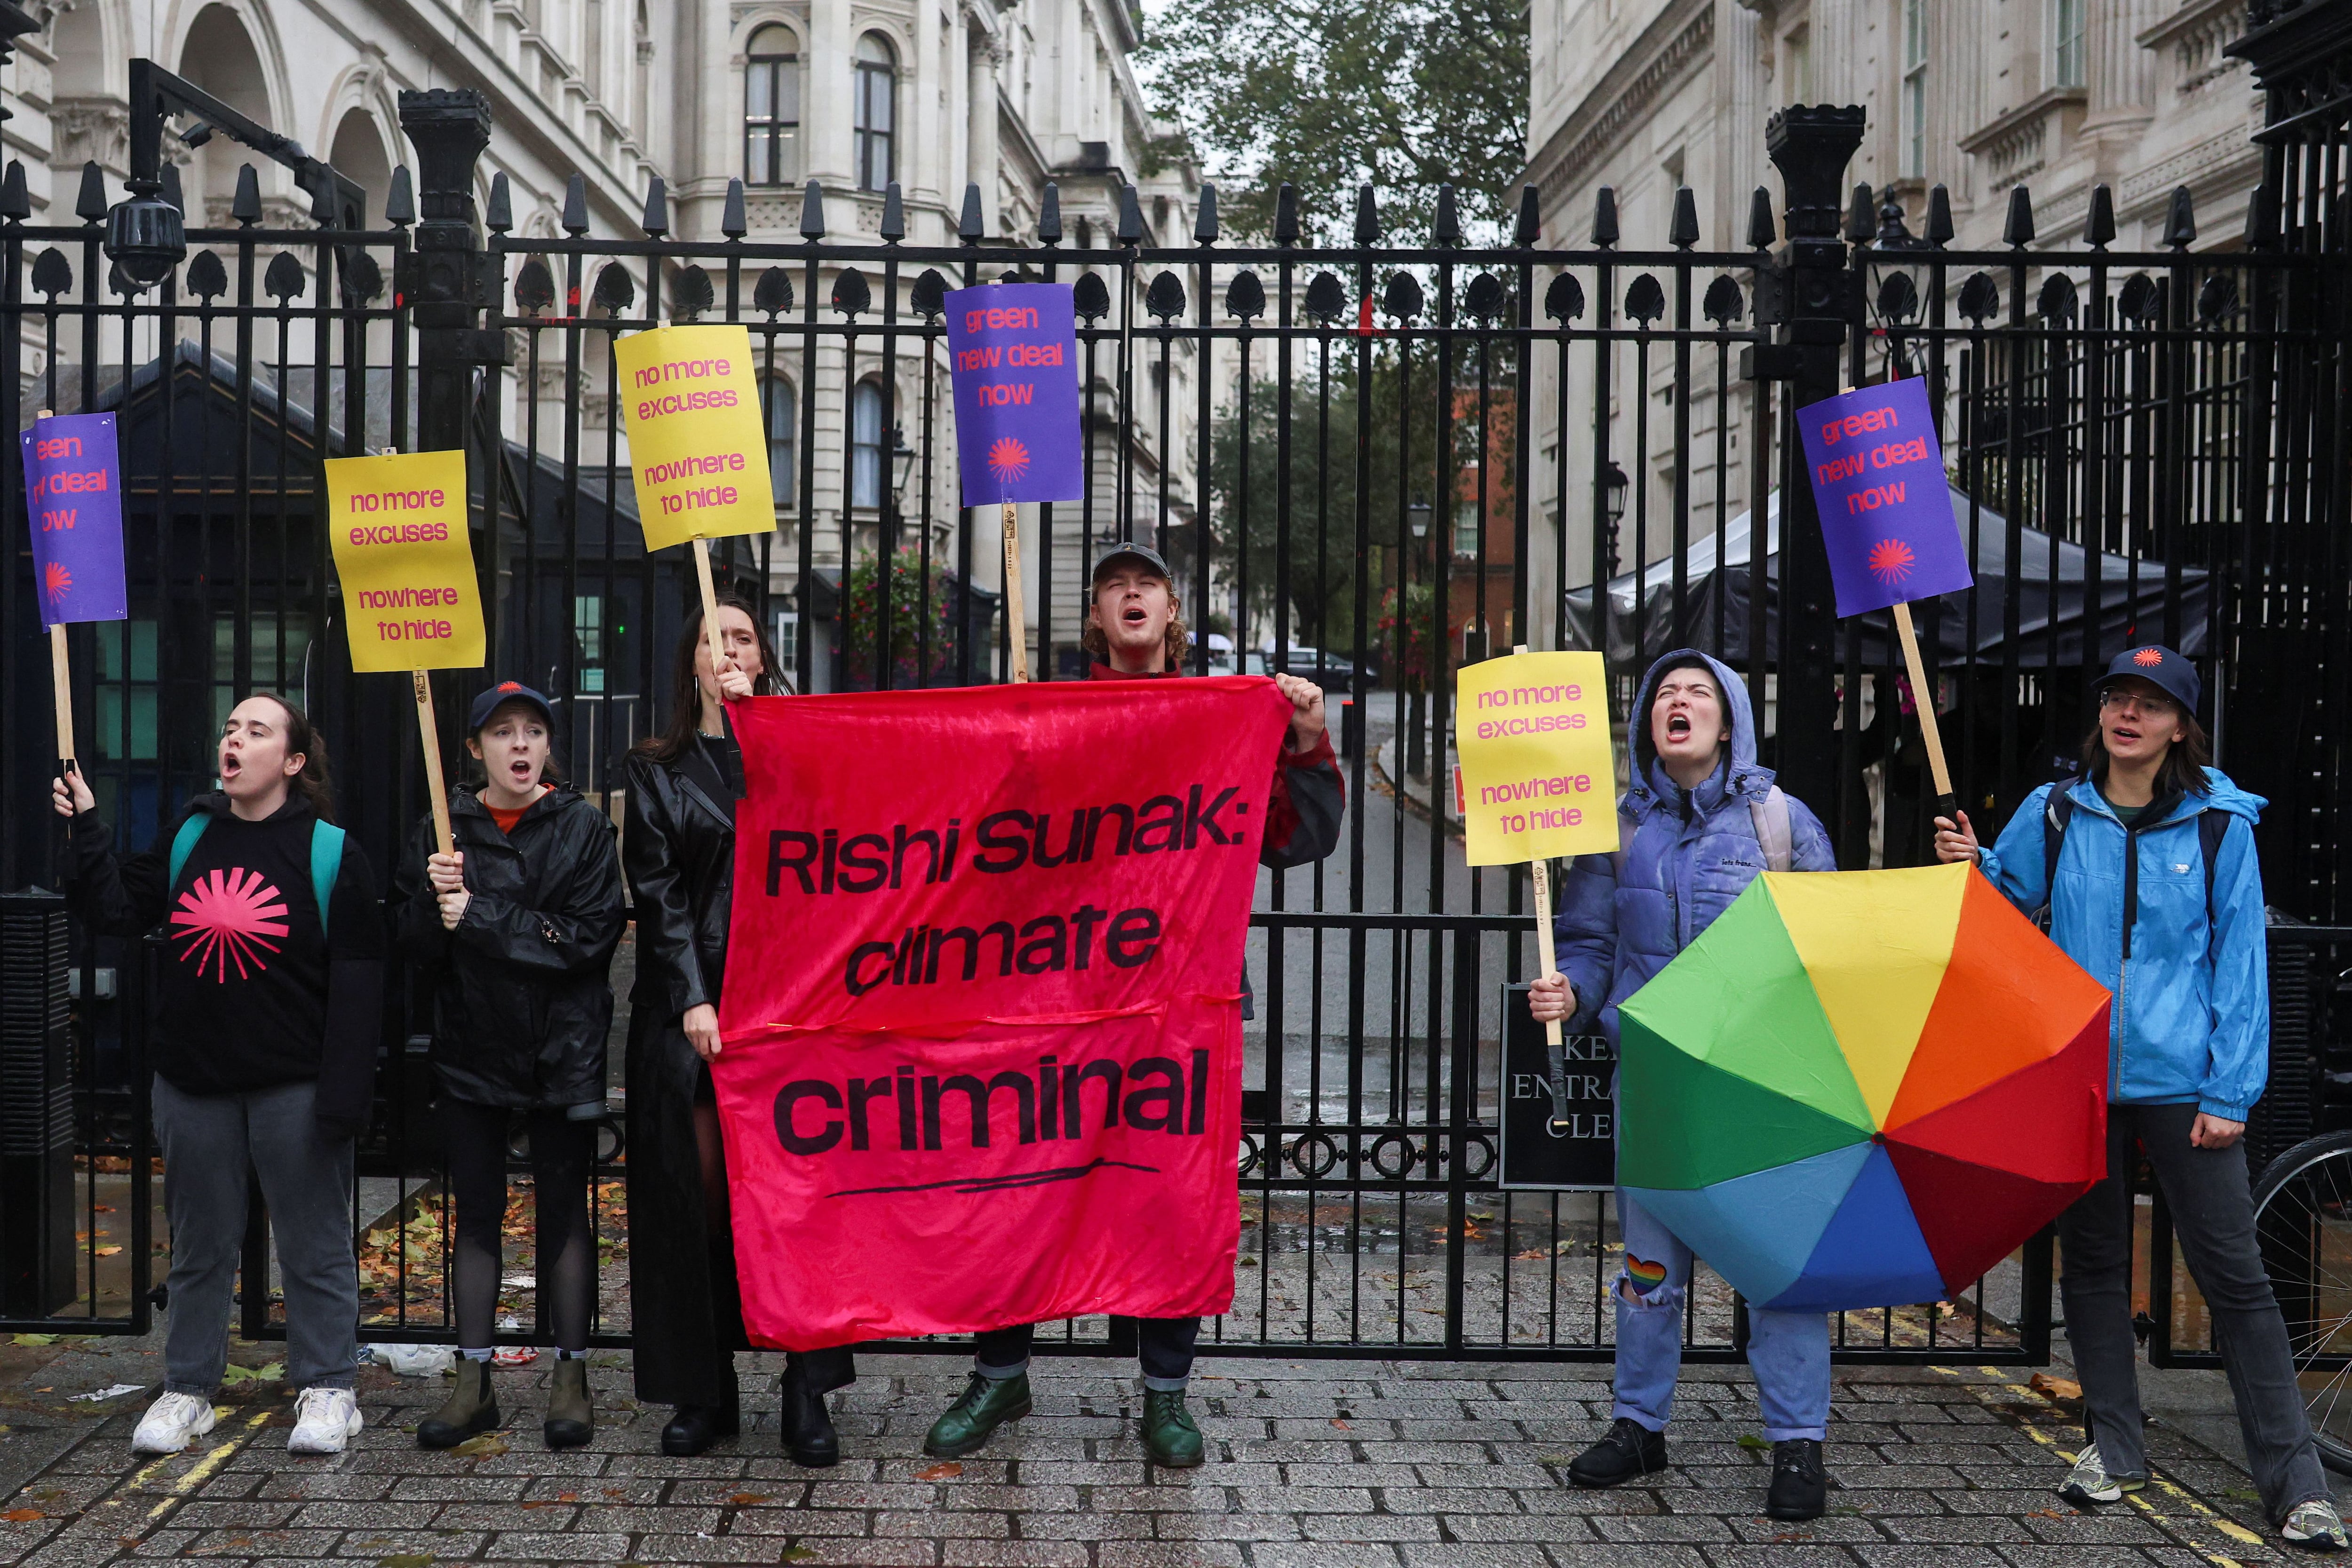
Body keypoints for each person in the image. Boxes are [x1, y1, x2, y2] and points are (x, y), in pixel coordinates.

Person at [921, 539, 1344, 1469]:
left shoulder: (1215, 719)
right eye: (1114, 586)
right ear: (1095, 620)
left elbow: (1293, 837)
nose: (1131, 595)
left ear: (1172, 611)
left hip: (1171, 1006)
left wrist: (1308, 741)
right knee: (1017, 1181)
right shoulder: (1052, 711)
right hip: (1050, 1000)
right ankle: (1000, 1370)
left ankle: (1165, 1395)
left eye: (1147, 582)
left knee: (1165, 1196)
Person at [1935, 645, 2349, 1552]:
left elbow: (2241, 966)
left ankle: (2297, 1483)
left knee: (2236, 1279)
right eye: (2119, 698)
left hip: (2185, 1081)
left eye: (2152, 704)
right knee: (2090, 1266)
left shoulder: (2219, 827)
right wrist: (1974, 865)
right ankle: (2115, 1450)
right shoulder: (2055, 811)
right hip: (2078, 1075)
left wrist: (2231, 1089)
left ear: (2179, 725)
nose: (2131, 714)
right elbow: (2005, 913)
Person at [1527, 650, 1840, 1521]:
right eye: (1666, 692)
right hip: (1657, 1077)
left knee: (1778, 1271)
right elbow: (1589, 943)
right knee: (1647, 1269)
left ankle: (1797, 1443)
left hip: (1759, 1081)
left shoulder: (1782, 821)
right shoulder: (1618, 829)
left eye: (1699, 692)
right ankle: (1639, 1427)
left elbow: (1827, 945)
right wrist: (1575, 993)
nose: (1680, 702)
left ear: (1730, 720)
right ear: (1646, 726)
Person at [53, 695, 383, 1457]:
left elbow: (362, 984)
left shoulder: (331, 851)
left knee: (314, 1241)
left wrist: (343, 1096)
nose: (234, 740)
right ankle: (189, 1387)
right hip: (194, 1082)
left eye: (256, 731)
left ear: (293, 763)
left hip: (293, 1086)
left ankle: (329, 1385)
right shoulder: (191, 834)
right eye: (231, 728)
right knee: (201, 1244)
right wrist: (87, 825)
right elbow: (114, 907)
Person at [624, 594, 857, 1463]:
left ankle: (807, 1387)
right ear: (691, 662)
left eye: (744, 638)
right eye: (712, 639)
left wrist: (762, 730)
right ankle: (702, 1389)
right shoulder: (654, 768)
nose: (728, 649)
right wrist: (690, 994)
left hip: (790, 1009)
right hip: (693, 1015)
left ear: (762, 657)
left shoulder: (797, 752)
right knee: (696, 1200)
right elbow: (658, 893)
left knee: (796, 1201)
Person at [390, 681, 626, 1450]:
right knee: (478, 1214)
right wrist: (432, 902)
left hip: (563, 1052)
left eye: (533, 732)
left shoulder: (585, 827)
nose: (520, 746)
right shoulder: (441, 826)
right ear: (475, 749)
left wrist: (481, 916)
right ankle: (473, 1380)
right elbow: (414, 948)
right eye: (502, 733)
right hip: (473, 1049)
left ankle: (572, 1377)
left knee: (564, 1212)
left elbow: (589, 938)